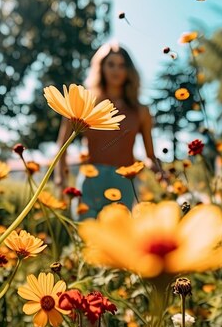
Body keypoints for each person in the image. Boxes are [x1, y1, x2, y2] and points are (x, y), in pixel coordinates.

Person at [54, 42, 158, 220]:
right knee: (87, 241)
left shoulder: (140, 111)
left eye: (121, 65)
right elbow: (62, 146)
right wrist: (60, 178)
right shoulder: (84, 103)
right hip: (90, 182)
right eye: (111, 64)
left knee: (118, 243)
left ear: (128, 70)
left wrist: (160, 172)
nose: (116, 70)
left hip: (124, 183)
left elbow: (150, 156)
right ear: (101, 68)